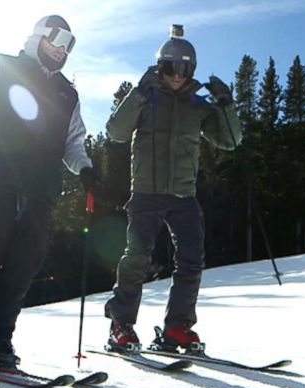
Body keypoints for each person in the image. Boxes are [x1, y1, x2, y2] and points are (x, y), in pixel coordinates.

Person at [0, 15, 98, 369]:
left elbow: (74, 142)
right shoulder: (4, 66)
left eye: (68, 45)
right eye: (56, 40)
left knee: (21, 268)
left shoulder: (67, 94)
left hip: (41, 188)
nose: (61, 50)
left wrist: (85, 168)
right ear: (39, 37)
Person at [103, 24, 241, 355]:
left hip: (183, 196)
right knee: (137, 258)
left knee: (192, 260)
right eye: (170, 67)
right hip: (147, 193)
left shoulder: (198, 105)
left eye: (184, 68)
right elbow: (115, 132)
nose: (177, 75)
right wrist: (137, 93)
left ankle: (177, 328)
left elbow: (231, 141)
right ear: (159, 67)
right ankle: (121, 325)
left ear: (192, 69)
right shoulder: (147, 96)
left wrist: (225, 105)